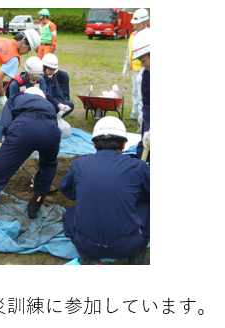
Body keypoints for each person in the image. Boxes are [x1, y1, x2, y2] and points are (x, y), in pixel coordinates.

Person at [0, 88, 61, 250]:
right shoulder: (48, 104)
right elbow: (54, 126)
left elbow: (5, 124)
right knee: (49, 164)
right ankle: (35, 205)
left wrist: (12, 141)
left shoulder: (16, 97)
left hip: (23, 128)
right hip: (51, 131)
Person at [59, 116, 150, 265]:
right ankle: (138, 254)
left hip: (87, 245)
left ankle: (90, 259)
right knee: (147, 206)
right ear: (125, 143)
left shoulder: (79, 164)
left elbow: (69, 193)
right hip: (128, 245)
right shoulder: (137, 166)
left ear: (94, 143)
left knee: (70, 214)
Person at [122, 8, 149, 121]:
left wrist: (142, 71)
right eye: (135, 24)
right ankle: (134, 115)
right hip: (134, 69)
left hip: (144, 69)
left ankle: (141, 118)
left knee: (141, 95)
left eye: (138, 24)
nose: (135, 26)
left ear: (145, 22)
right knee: (135, 93)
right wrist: (126, 65)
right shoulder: (133, 35)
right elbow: (130, 50)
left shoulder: (148, 35)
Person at [132, 28, 150, 163]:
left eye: (144, 61)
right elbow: (148, 104)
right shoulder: (147, 75)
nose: (143, 65)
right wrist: (147, 130)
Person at [42, 53, 75, 118]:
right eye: (50, 69)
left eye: (53, 70)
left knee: (70, 105)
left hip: (54, 104)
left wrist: (61, 106)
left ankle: (55, 117)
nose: (52, 72)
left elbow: (59, 94)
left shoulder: (53, 78)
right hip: (44, 104)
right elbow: (46, 94)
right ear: (43, 67)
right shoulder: (40, 78)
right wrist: (58, 104)